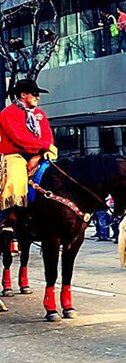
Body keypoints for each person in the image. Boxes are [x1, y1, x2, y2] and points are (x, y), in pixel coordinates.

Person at [0, 78, 55, 241]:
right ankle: (9, 215)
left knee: (57, 172)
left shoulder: (40, 114)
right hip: (15, 154)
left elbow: (48, 137)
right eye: (35, 94)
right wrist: (37, 149)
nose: (38, 98)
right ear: (23, 95)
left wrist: (37, 155)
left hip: (40, 153)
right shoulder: (7, 113)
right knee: (16, 178)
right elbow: (18, 137)